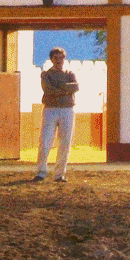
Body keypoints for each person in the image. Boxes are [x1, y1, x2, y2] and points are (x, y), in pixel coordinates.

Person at [35, 47, 77, 183]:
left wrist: (58, 86)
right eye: (56, 58)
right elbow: (48, 89)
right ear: (51, 59)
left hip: (67, 109)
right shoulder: (46, 74)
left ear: (64, 59)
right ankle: (41, 172)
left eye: (61, 58)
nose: (59, 61)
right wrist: (65, 89)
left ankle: (60, 174)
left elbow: (76, 87)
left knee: (65, 142)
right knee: (45, 140)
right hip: (51, 109)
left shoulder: (70, 73)